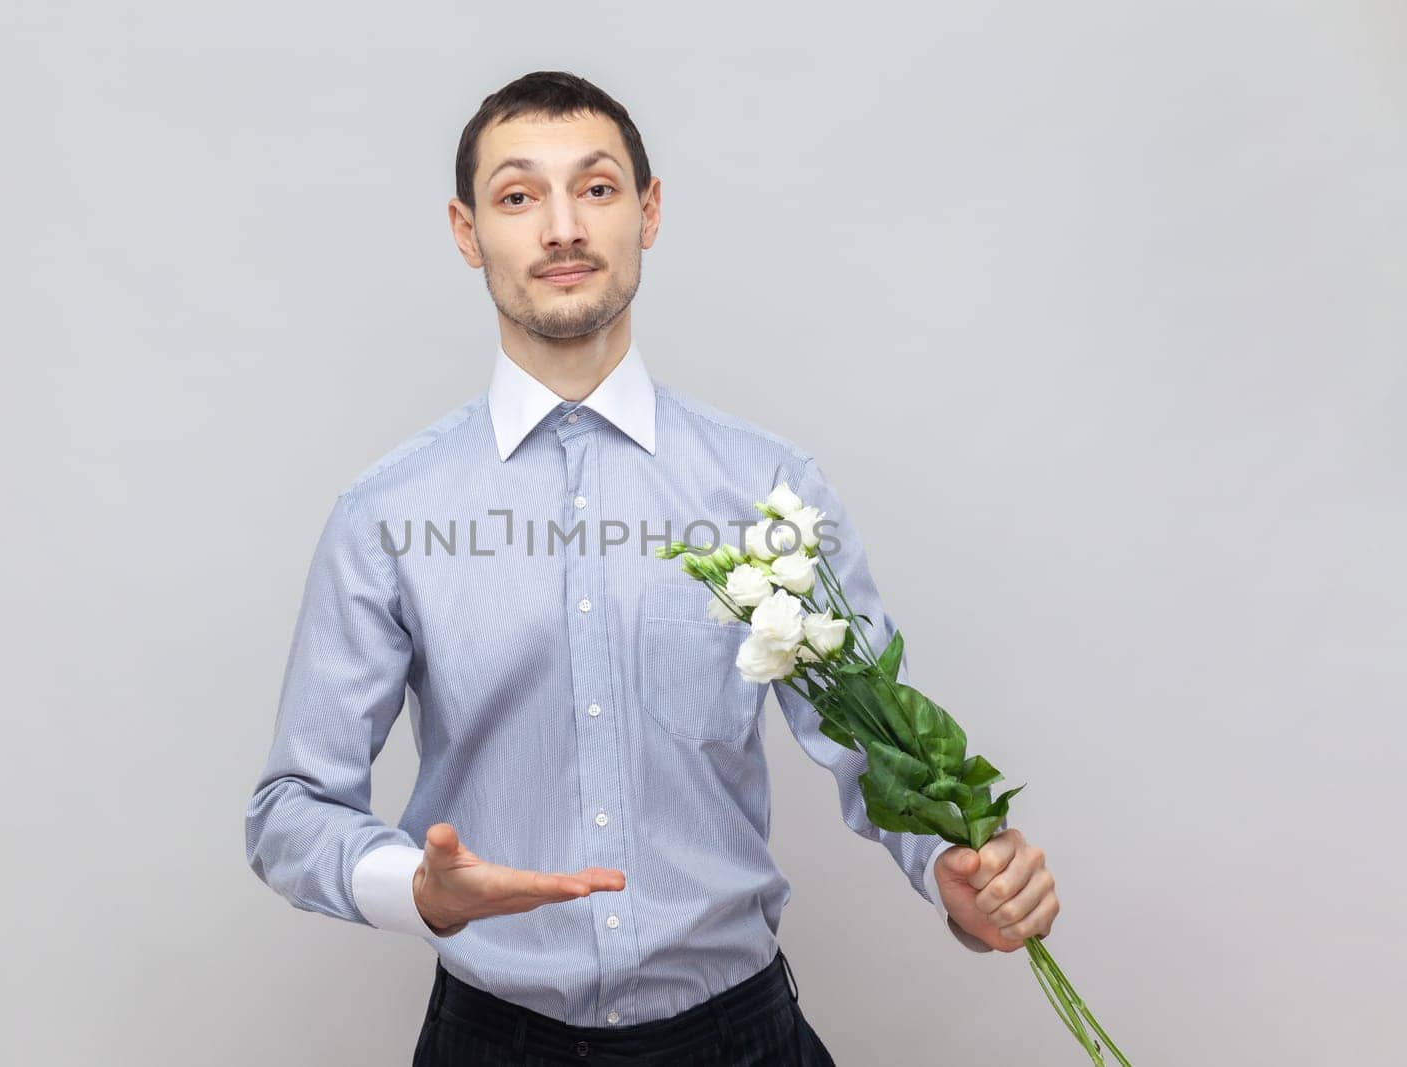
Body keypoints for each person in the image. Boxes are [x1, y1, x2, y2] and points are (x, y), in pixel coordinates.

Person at [244, 69, 1059, 1066]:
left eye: (595, 188)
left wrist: (955, 871)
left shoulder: (767, 487)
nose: (561, 227)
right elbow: (291, 807)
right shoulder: (388, 514)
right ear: (467, 232)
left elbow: (872, 741)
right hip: (492, 1041)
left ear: (648, 209)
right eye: (517, 195)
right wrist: (413, 886)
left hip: (740, 1036)